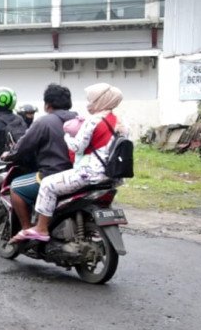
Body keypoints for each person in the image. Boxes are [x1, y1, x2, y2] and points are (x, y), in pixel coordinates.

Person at [19, 82, 126, 242]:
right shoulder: (119, 122)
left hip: (89, 173)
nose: (89, 103)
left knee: (47, 184)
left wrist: (67, 135)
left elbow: (78, 146)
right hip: (113, 175)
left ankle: (41, 228)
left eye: (91, 99)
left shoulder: (92, 121)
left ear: (100, 101)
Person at [4, 84, 77, 240]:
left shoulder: (44, 122)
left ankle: (27, 229)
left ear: (47, 104)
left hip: (52, 173)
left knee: (16, 187)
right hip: (76, 174)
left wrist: (9, 155)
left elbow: (23, 146)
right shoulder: (79, 119)